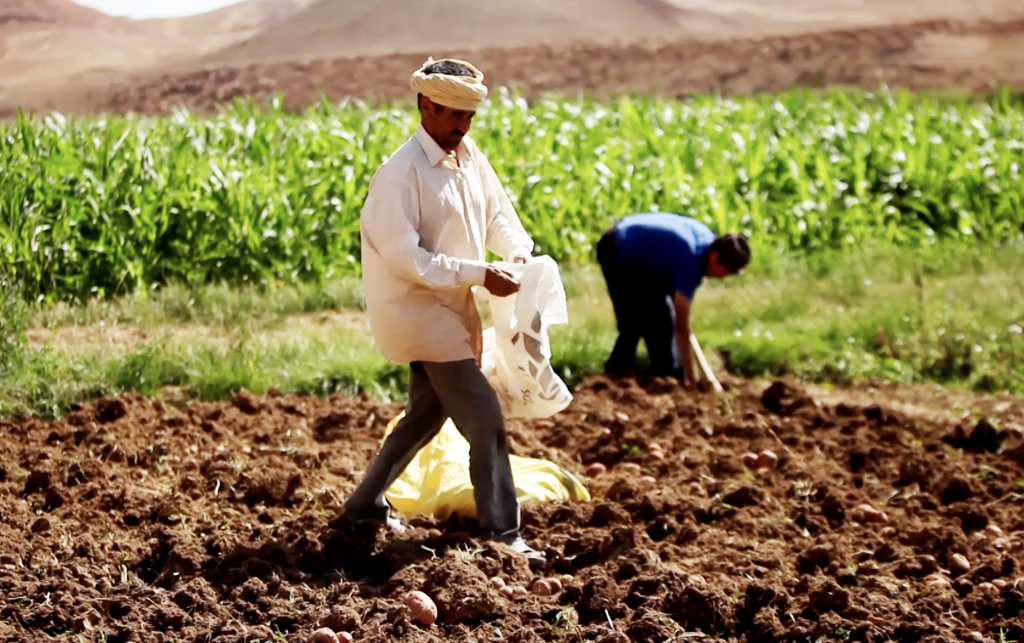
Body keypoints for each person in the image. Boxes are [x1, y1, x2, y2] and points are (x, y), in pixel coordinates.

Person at [339, 57, 546, 567]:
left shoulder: (468, 155)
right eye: (453, 114)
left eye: (469, 116)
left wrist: (517, 254)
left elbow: (498, 214)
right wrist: (479, 273)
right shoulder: (399, 174)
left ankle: (364, 504)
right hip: (419, 314)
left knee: (424, 417)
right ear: (425, 104)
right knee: (485, 417)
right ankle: (504, 532)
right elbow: (407, 259)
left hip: (454, 309)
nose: (462, 125)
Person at [595, 212, 750, 387]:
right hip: (618, 250)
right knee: (633, 323)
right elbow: (683, 328)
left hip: (648, 261)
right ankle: (611, 379)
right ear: (715, 258)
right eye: (726, 271)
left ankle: (666, 374)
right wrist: (692, 381)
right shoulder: (690, 260)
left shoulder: (705, 244)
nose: (722, 277)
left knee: (662, 316)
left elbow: (679, 324)